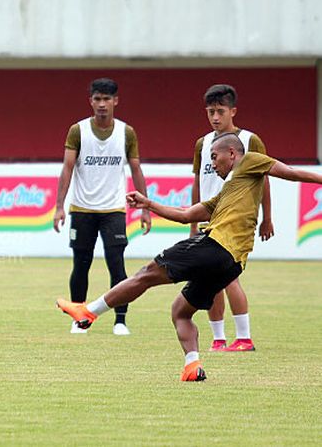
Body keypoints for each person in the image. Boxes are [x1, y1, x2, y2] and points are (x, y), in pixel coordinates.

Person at [57, 133, 322, 381]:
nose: (213, 165)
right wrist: (149, 204)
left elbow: (290, 172)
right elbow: (185, 215)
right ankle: (192, 366)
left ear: (232, 153)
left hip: (216, 246)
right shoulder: (226, 195)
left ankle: (88, 312)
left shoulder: (250, 159)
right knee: (180, 312)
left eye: (214, 159)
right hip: (232, 265)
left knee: (146, 274)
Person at [53, 78, 151, 336]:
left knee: (116, 264)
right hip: (82, 210)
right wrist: (59, 206)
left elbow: (136, 169)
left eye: (107, 99)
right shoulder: (78, 130)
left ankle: (120, 320)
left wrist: (145, 208)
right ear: (91, 101)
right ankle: (78, 318)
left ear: (116, 101)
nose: (102, 104)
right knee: (81, 264)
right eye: (97, 99)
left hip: (114, 211)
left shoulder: (126, 132)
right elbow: (67, 168)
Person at [192, 84, 271, 352]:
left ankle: (244, 337)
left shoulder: (249, 141)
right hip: (207, 219)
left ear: (233, 111)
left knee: (227, 277)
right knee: (210, 279)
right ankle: (218, 339)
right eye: (210, 112)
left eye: (220, 111)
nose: (215, 117)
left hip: (234, 220)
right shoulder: (203, 143)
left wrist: (266, 217)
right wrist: (193, 224)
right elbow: (197, 182)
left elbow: (264, 179)